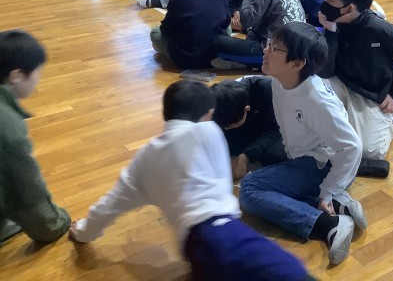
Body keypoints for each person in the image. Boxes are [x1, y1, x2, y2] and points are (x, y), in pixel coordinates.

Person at [69, 80, 311, 281]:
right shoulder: (211, 133)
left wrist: (83, 232)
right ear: (209, 114)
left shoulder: (146, 157)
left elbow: (111, 204)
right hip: (225, 236)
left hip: (197, 246)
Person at [239, 22, 365, 266]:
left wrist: (328, 189)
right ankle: (339, 203)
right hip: (303, 156)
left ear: (297, 64)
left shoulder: (317, 100)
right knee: (267, 157)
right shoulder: (279, 80)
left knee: (250, 189)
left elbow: (352, 147)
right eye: (270, 44)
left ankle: (329, 223)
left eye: (275, 48)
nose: (265, 50)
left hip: (323, 163)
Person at [318, 0, 393, 161]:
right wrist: (330, 33)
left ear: (349, 8)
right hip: (341, 82)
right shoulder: (334, 24)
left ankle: (390, 122)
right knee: (309, 87)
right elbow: (325, 71)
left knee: (369, 152)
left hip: (370, 93)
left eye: (331, 0)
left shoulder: (380, 29)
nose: (325, 4)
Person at [0, 30, 71, 246]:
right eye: (37, 72)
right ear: (16, 75)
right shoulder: (7, 127)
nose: (38, 80)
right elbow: (29, 195)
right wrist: (58, 222)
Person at [212, 0, 305, 69]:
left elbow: (245, 21)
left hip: (273, 55)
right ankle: (246, 61)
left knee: (218, 42)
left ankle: (249, 63)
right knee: (253, 31)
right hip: (292, 55)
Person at [150, 0, 230, 69]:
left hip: (186, 59)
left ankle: (163, 50)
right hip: (214, 55)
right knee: (226, 26)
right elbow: (226, 24)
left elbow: (166, 31)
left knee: (155, 32)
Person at [211, 76, 286, 180]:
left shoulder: (268, 90)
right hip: (250, 122)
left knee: (274, 155)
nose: (227, 128)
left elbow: (275, 129)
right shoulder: (214, 99)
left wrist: (246, 156)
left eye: (232, 124)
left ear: (247, 109)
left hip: (275, 124)